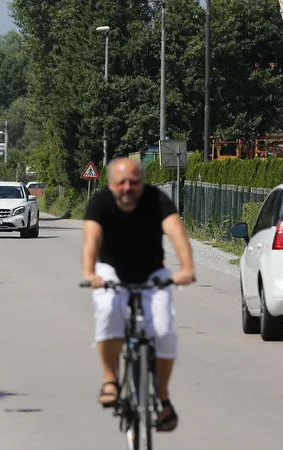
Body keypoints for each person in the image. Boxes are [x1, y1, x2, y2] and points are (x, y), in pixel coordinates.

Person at [81, 157, 195, 433]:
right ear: (111, 184)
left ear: (142, 183)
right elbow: (92, 239)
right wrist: (90, 273)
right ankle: (111, 380)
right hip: (111, 270)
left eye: (134, 181)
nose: (128, 187)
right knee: (108, 310)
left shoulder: (156, 200)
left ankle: (163, 398)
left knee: (165, 330)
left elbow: (176, 231)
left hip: (151, 272)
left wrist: (187, 268)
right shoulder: (100, 202)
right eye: (122, 182)